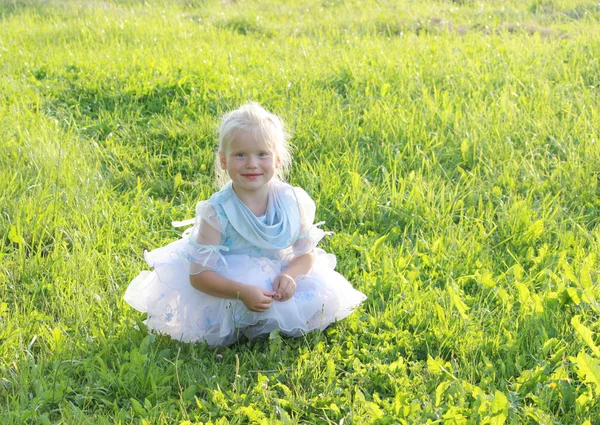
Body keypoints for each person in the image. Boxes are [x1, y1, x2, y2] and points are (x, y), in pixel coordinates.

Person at [124, 103, 366, 345]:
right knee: (250, 298)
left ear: (278, 159)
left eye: (262, 154)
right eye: (240, 155)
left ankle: (273, 314)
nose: (252, 163)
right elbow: (199, 276)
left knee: (323, 296)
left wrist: (290, 276)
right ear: (223, 161)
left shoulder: (292, 201)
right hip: (230, 283)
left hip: (276, 275)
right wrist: (242, 293)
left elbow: (305, 255)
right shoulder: (216, 212)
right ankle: (249, 318)